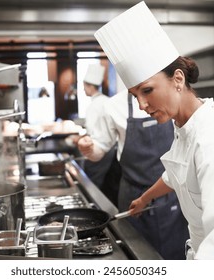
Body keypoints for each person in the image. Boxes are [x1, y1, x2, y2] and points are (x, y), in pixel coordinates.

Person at [94, 1, 214, 260]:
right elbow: (175, 174)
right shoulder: (184, 128)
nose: (142, 105)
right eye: (135, 95)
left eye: (147, 90)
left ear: (178, 79)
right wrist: (146, 198)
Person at [78, 88, 189, 258]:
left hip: (174, 196)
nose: (143, 104)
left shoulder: (173, 99)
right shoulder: (113, 106)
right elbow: (99, 149)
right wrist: (89, 148)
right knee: (136, 255)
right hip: (133, 198)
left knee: (176, 256)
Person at [80, 64, 120, 203]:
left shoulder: (93, 105)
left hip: (99, 149)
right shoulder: (108, 101)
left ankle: (92, 205)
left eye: (84, 85)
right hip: (112, 150)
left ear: (89, 86)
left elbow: (91, 132)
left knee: (92, 185)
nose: (83, 89)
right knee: (107, 185)